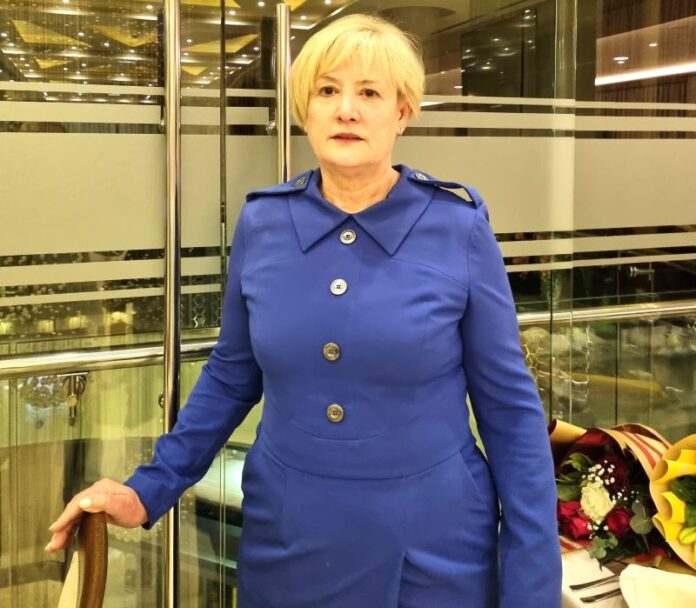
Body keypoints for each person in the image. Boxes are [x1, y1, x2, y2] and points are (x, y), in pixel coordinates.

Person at [47, 14, 562, 607]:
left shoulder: (457, 226)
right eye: (327, 90)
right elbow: (230, 376)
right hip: (286, 545)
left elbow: (510, 412)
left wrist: (531, 588)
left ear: (402, 112)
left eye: (369, 93)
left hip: (431, 555)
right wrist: (147, 489)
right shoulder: (263, 221)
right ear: (305, 109)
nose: (346, 110)